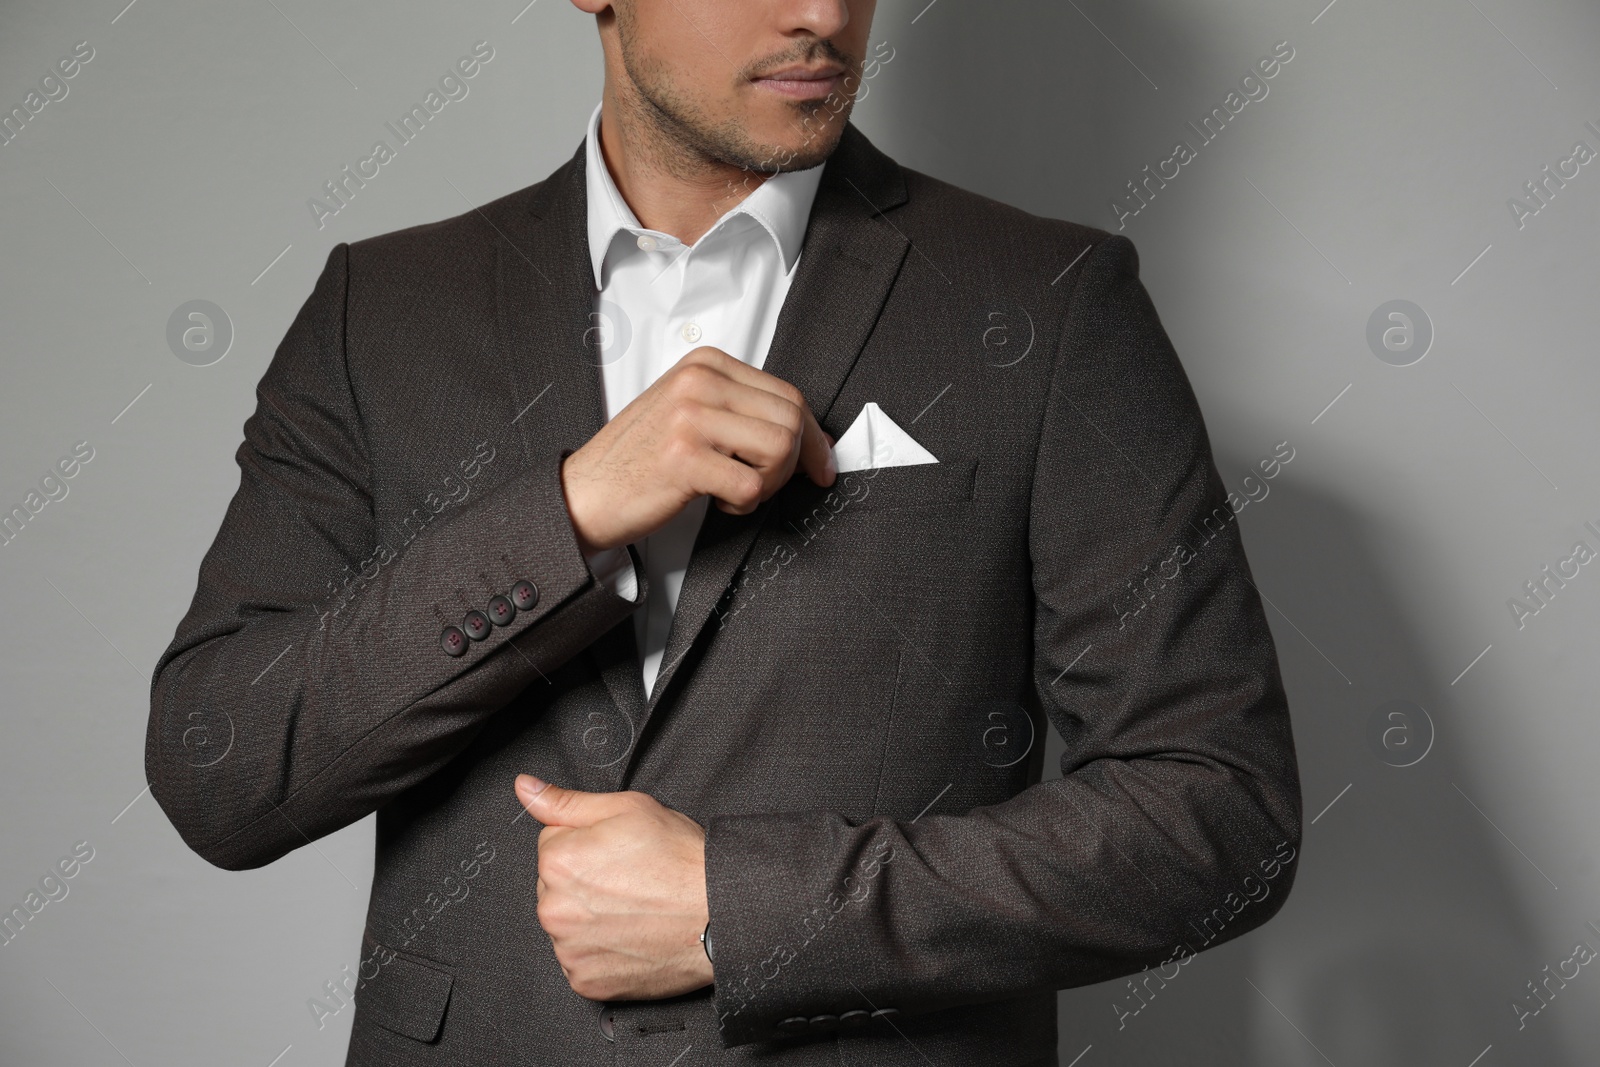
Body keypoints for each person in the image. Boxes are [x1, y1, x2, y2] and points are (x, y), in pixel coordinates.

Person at [145, 0, 1302, 1063]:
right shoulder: (381, 311)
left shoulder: (1050, 299)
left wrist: (744, 908)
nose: (822, 16)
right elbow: (221, 769)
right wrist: (570, 511)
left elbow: (1216, 809)